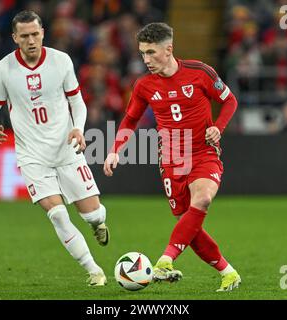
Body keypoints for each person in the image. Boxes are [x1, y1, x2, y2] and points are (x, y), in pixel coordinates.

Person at [103, 22, 241, 292]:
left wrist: (218, 127)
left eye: (152, 53)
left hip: (203, 152)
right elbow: (130, 120)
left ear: (169, 49)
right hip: (171, 160)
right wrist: (114, 150)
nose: (146, 59)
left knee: (202, 199)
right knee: (188, 225)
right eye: (143, 53)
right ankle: (229, 272)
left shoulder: (200, 72)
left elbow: (230, 101)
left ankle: (165, 261)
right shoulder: (144, 85)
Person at [0, 10, 109, 286]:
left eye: (35, 34)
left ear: (43, 33)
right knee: (57, 213)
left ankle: (98, 223)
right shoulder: (2, 69)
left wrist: (79, 128)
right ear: (15, 37)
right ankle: (94, 270)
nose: (31, 40)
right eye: (24, 35)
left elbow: (77, 101)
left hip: (66, 149)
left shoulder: (61, 61)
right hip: (31, 156)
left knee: (93, 213)